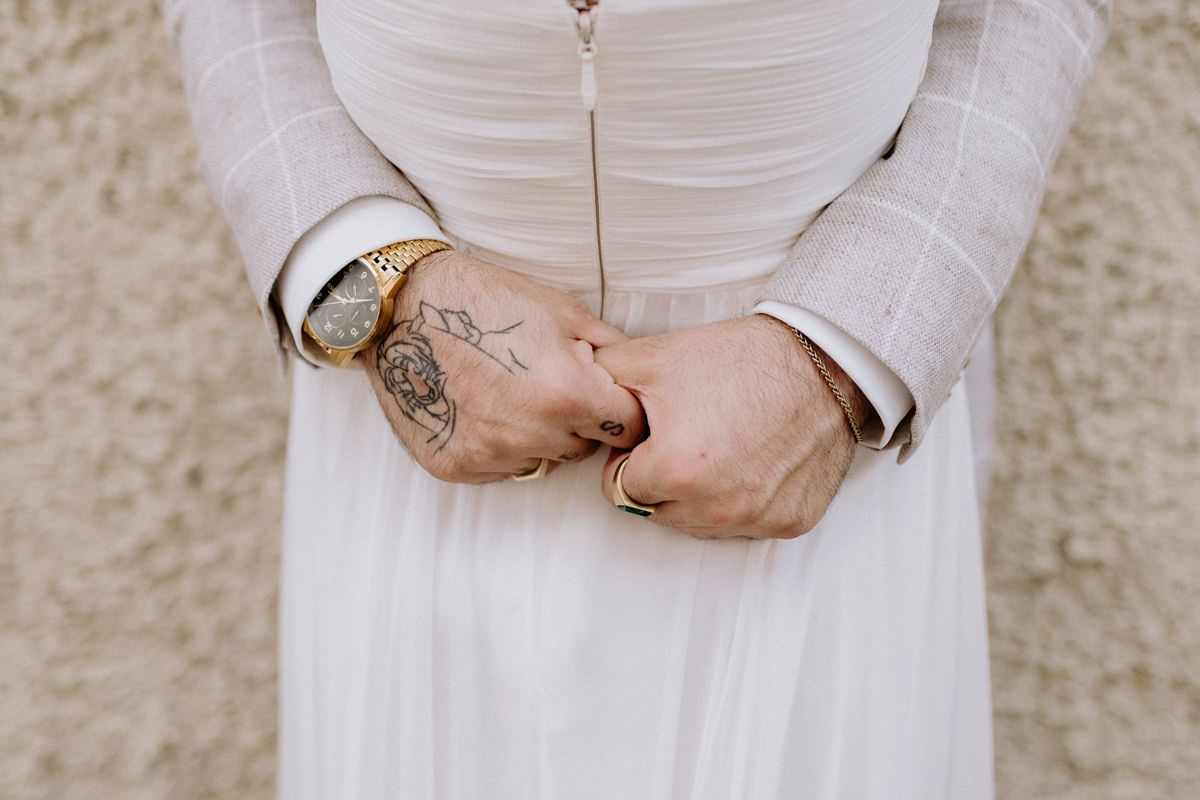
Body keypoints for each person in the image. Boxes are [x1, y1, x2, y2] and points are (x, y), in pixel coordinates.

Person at [162, 0, 1110, 796]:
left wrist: (846, 351)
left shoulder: (834, 380)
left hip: (820, 451)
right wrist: (371, 279)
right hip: (412, 424)